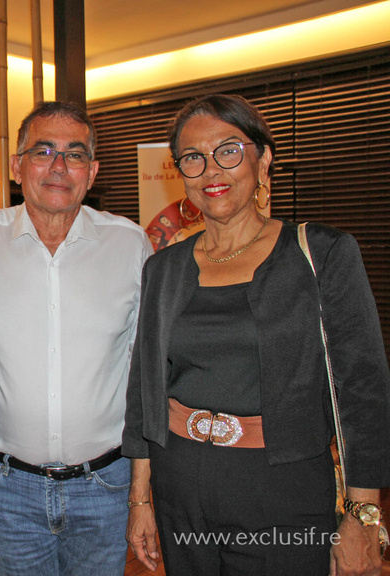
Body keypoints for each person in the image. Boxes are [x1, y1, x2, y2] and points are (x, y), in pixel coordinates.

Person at [123, 93, 390, 576]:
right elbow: (146, 386)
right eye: (193, 159)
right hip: (180, 482)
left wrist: (363, 516)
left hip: (282, 489)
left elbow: (363, 393)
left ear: (263, 158)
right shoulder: (163, 268)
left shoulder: (321, 254)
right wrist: (140, 497)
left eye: (228, 150)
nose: (211, 171)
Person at [0, 101, 153, 575]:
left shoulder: (130, 245)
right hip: (8, 485)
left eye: (74, 154)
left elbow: (148, 370)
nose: (59, 167)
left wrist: (143, 490)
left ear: (92, 171)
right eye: (43, 151)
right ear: (17, 165)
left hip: (107, 483)